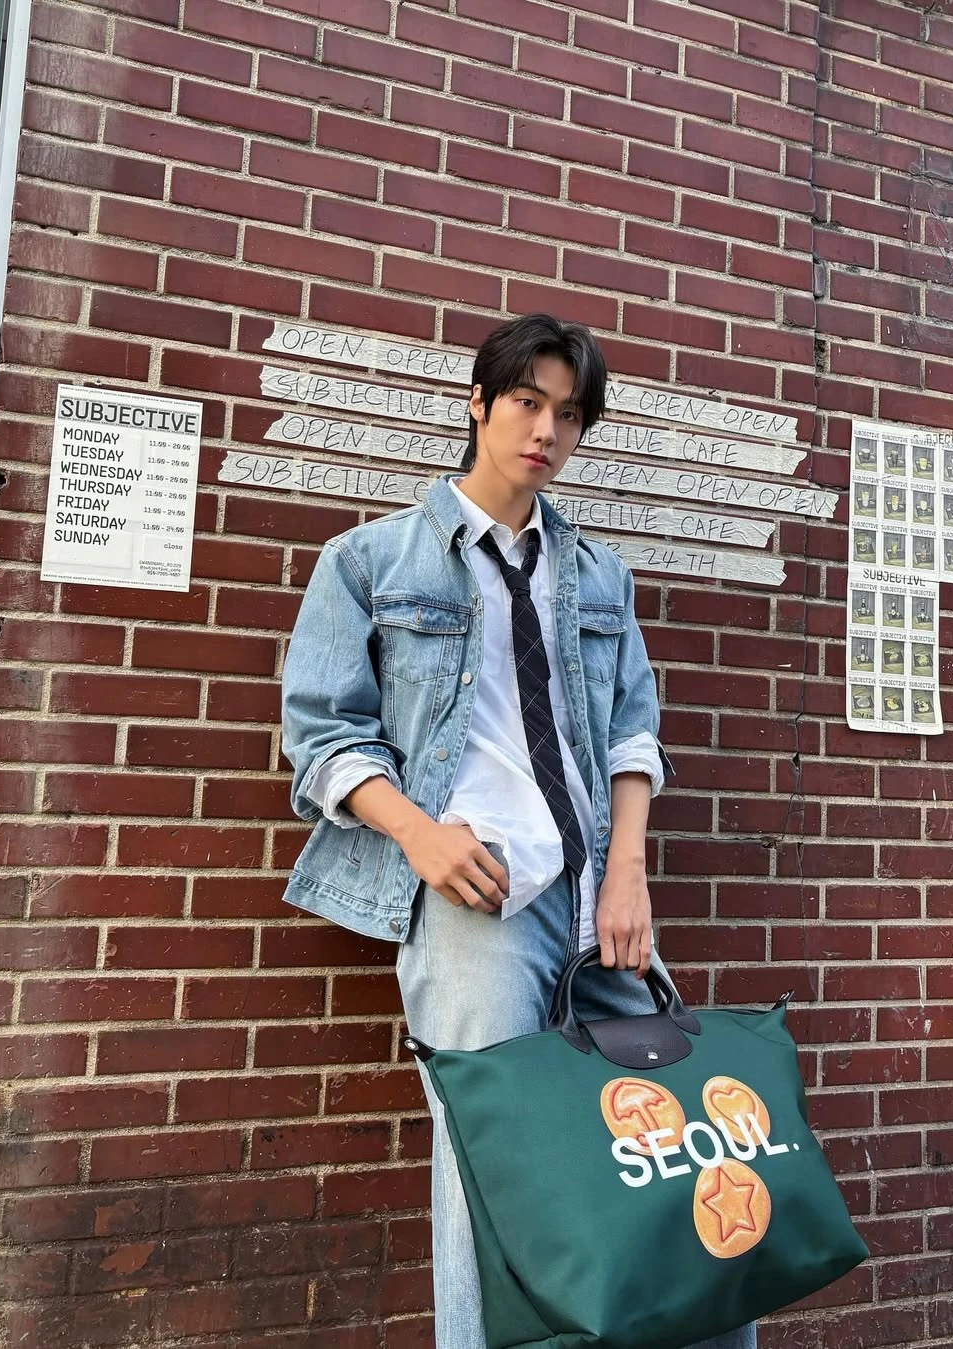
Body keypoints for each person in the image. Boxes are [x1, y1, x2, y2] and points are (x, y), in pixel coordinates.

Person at [281, 313, 754, 1349]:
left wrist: (626, 871)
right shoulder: (369, 560)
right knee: (495, 1169)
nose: (546, 430)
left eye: (568, 414)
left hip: (597, 901)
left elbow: (633, 732)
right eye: (528, 402)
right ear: (479, 403)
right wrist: (417, 834)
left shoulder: (599, 575)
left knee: (679, 1150)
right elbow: (320, 735)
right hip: (477, 900)